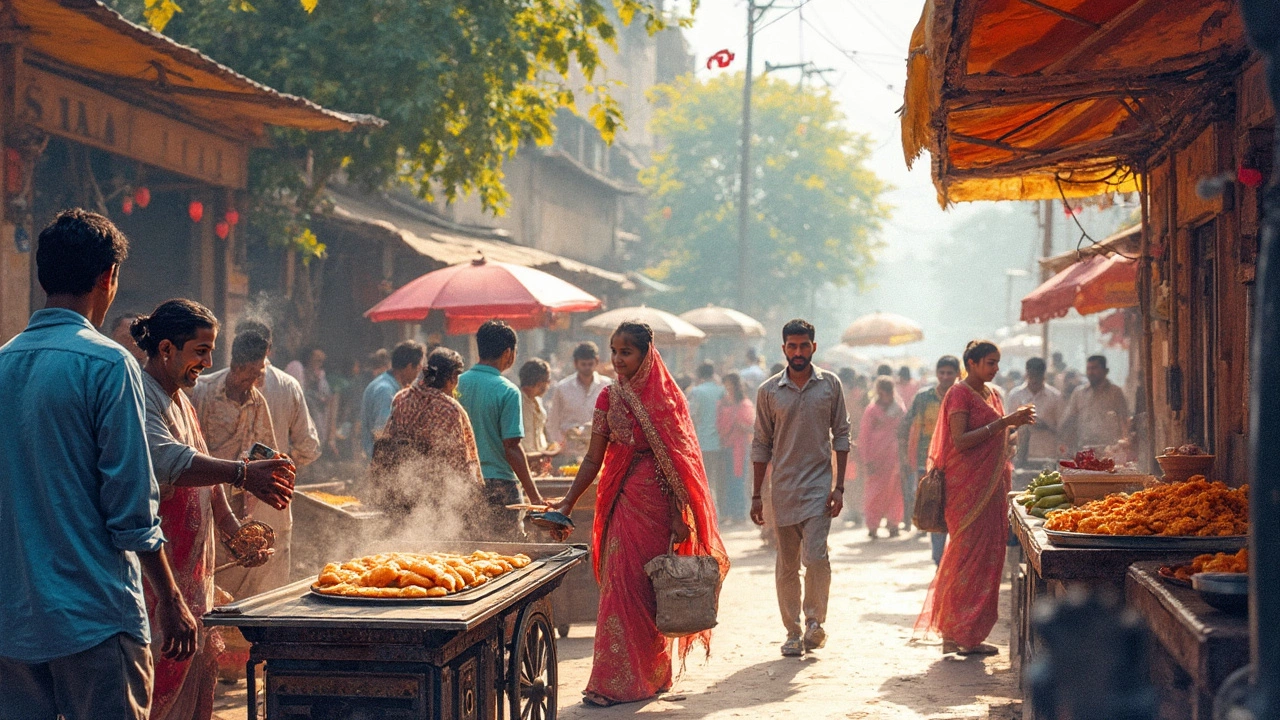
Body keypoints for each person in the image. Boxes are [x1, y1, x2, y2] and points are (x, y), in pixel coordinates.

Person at [0, 210, 197, 720]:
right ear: (107, 277)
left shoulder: (3, 364)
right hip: (94, 617)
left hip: (13, 622)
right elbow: (131, 508)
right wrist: (170, 599)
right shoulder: (109, 364)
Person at [551, 322, 729, 706]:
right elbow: (593, 458)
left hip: (659, 509)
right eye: (614, 351)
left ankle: (653, 675)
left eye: (626, 352)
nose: (618, 359)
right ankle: (610, 683)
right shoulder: (607, 398)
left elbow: (681, 462)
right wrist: (566, 503)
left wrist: (679, 516)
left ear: (647, 353)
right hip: (623, 502)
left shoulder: (667, 399)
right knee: (619, 589)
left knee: (652, 594)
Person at [132, 299, 295, 719]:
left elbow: (203, 468)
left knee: (193, 686)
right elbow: (169, 460)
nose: (207, 362)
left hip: (194, 572)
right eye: (200, 351)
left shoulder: (180, 398)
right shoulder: (142, 397)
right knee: (158, 689)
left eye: (210, 351)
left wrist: (231, 528)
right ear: (166, 349)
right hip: (158, 578)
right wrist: (243, 472)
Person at [915, 340, 1035, 656]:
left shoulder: (993, 394)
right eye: (989, 363)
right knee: (964, 555)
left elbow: (997, 436)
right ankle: (955, 632)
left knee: (989, 556)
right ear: (972, 363)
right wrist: (1005, 423)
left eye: (997, 362)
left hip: (993, 485)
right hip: (965, 488)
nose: (995, 368)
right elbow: (960, 440)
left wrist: (1014, 431)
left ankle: (965, 634)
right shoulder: (959, 393)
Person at [751, 319, 851, 657]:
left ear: (813, 347)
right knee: (787, 564)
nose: (798, 352)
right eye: (792, 347)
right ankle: (792, 632)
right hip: (782, 490)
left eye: (803, 346)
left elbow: (842, 435)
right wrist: (755, 495)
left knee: (816, 557)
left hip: (820, 487)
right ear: (783, 350)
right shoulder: (768, 391)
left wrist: (839, 488)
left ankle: (814, 622)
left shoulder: (830, 386)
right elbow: (760, 444)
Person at [191, 328, 289, 600]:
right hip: (204, 499)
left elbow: (269, 452)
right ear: (236, 366)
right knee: (204, 573)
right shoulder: (203, 393)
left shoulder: (258, 402)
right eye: (254, 372)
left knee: (240, 581)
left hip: (239, 505)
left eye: (261, 372)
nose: (259, 379)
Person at [456, 320, 545, 539]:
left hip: (461, 485)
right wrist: (534, 497)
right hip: (499, 487)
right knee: (507, 555)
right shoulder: (507, 391)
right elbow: (511, 447)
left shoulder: (456, 384)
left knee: (467, 557)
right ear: (508, 353)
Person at [372, 348, 484, 521]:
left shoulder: (401, 398)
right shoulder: (450, 409)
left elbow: (388, 439)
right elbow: (460, 464)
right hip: (437, 499)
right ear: (452, 378)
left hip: (400, 492)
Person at [199, 320, 321, 469]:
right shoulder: (289, 386)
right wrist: (284, 462)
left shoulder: (204, 387)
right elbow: (308, 447)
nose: (254, 381)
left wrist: (279, 462)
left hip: (225, 486)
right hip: (254, 487)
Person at [899, 355, 961, 563]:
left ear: (957, 374)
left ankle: (952, 561)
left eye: (949, 373)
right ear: (936, 373)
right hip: (927, 463)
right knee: (934, 509)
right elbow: (906, 425)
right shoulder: (923, 398)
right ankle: (938, 559)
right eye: (941, 373)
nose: (945, 377)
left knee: (955, 510)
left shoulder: (962, 397)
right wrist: (904, 457)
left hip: (957, 462)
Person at [858, 376, 905, 539]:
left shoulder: (899, 408)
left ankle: (893, 523)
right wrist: (866, 459)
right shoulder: (871, 410)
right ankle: (872, 525)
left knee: (895, 491)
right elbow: (864, 436)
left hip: (894, 457)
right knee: (874, 491)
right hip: (876, 458)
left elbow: (904, 431)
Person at [545, 341, 611, 457]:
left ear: (596, 361)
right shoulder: (562, 387)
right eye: (583, 364)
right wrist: (560, 445)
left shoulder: (607, 386)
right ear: (575, 363)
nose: (587, 368)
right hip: (569, 452)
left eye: (590, 364)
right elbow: (553, 421)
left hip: (599, 451)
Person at [361, 340, 426, 457]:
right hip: (382, 464)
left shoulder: (388, 385)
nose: (419, 372)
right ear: (409, 366)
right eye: (418, 367)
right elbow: (381, 433)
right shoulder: (385, 391)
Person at [1061, 355, 1130, 453]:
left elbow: (1124, 419)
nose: (1090, 372)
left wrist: (1125, 443)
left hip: (1109, 450)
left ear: (1105, 371)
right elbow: (1069, 420)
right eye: (1088, 369)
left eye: (1094, 368)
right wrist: (1065, 443)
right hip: (1084, 448)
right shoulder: (1079, 393)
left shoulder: (1115, 392)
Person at [1008, 357, 1065, 466]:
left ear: (1043, 375)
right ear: (1027, 374)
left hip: (1047, 454)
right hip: (1021, 456)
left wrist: (1045, 426)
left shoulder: (1055, 397)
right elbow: (1009, 427)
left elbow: (1062, 428)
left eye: (1037, 376)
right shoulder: (1015, 395)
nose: (1034, 380)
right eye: (1031, 375)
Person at [686, 361, 727, 516]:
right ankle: (722, 512)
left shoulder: (696, 391)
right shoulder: (722, 390)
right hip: (721, 441)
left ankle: (707, 513)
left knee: (705, 480)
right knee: (720, 480)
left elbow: (692, 416)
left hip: (701, 442)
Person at [716, 372, 755, 525]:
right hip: (725, 446)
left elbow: (750, 426)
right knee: (726, 481)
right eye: (726, 385)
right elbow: (719, 424)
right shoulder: (723, 403)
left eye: (730, 385)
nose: (728, 388)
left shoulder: (744, 404)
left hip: (740, 447)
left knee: (738, 480)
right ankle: (729, 513)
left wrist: (739, 425)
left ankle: (739, 514)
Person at [288, 346, 337, 456]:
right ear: (308, 358)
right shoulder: (297, 368)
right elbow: (299, 395)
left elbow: (327, 396)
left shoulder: (320, 375)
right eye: (317, 360)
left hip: (315, 419)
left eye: (321, 361)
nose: (319, 363)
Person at [518, 359, 561, 468]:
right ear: (539, 383)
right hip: (523, 465)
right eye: (548, 380)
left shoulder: (538, 401)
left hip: (540, 465)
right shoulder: (516, 402)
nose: (549, 385)